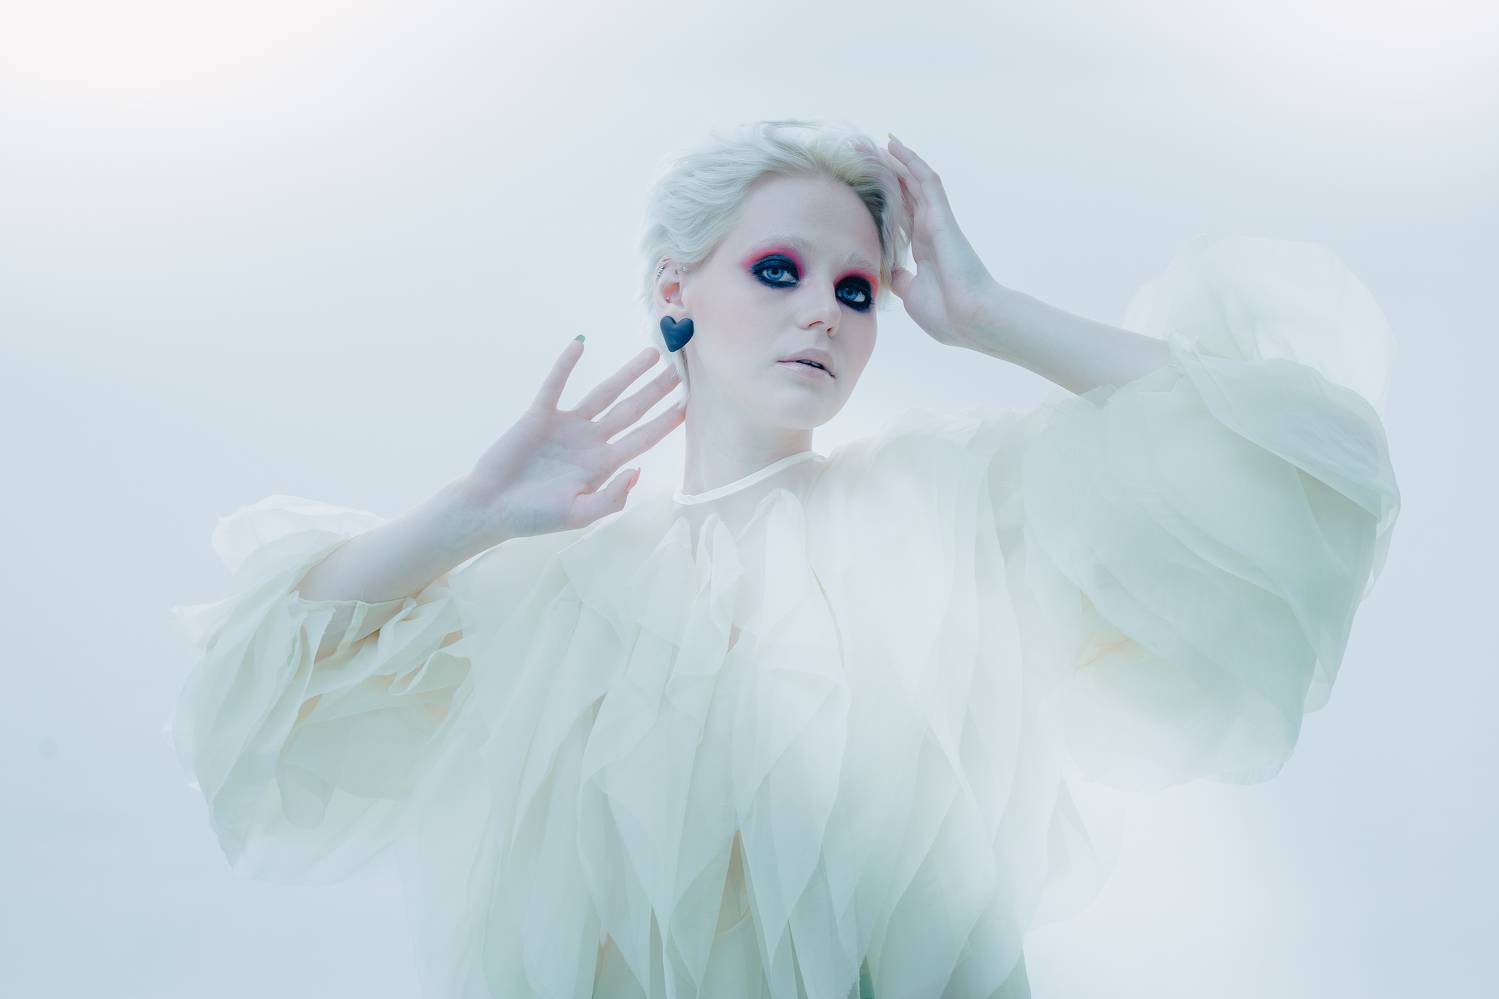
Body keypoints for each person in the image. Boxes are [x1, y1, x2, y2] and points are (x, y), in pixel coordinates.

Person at [165, 119, 1401, 999]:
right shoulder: (556, 583)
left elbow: (1286, 454)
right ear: (675, 287)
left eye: (858, 290)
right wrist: (469, 514)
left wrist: (988, 315)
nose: (823, 310)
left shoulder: (940, 505)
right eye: (778, 270)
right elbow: (262, 692)